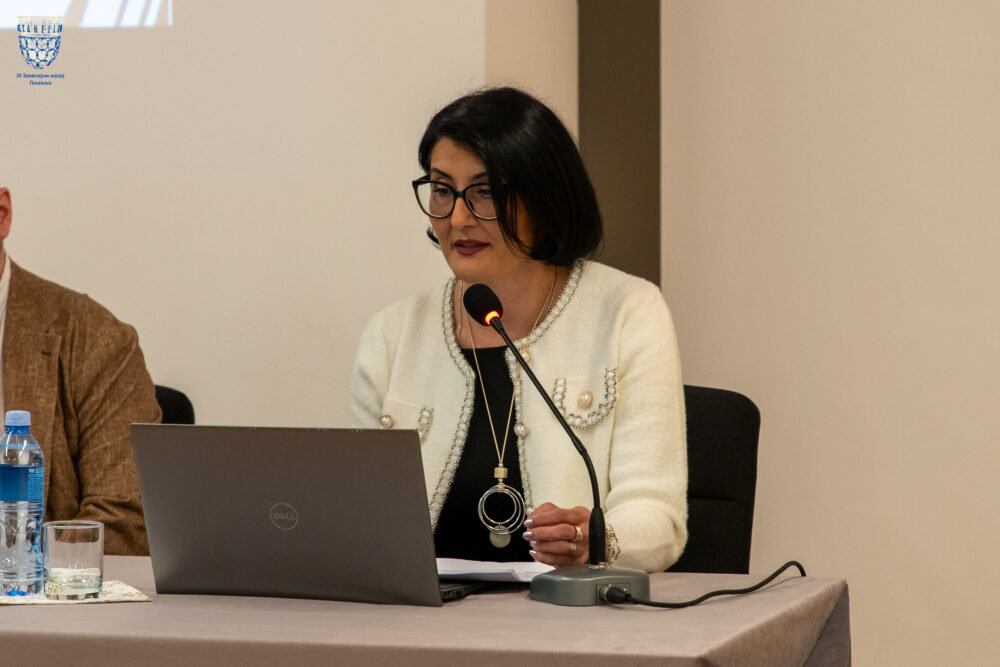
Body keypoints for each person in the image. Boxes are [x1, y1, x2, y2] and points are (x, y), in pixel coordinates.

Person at [348, 88, 686, 573]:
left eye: (485, 192)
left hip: (567, 614)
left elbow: (658, 518)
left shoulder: (627, 312)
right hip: (425, 616)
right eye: (442, 190)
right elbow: (361, 520)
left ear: (544, 197)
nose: (458, 218)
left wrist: (594, 540)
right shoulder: (392, 335)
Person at [0, 186, 160, 556]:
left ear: (2, 214)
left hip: (38, 588)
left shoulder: (95, 338)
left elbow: (126, 518)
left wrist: (18, 569)